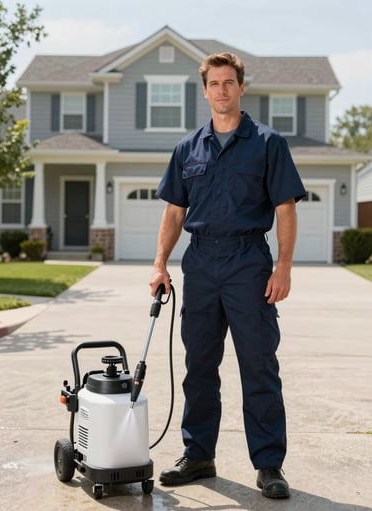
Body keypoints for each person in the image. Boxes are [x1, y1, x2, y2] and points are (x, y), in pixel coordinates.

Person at [149, 52, 306, 500]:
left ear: (241, 87)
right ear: (205, 91)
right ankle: (199, 453)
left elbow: (285, 208)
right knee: (199, 364)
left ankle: (269, 464)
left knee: (258, 364)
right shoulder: (187, 149)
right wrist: (160, 264)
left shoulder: (267, 143)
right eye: (214, 83)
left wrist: (284, 266)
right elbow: (174, 211)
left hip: (248, 263)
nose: (221, 90)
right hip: (200, 264)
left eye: (228, 82)